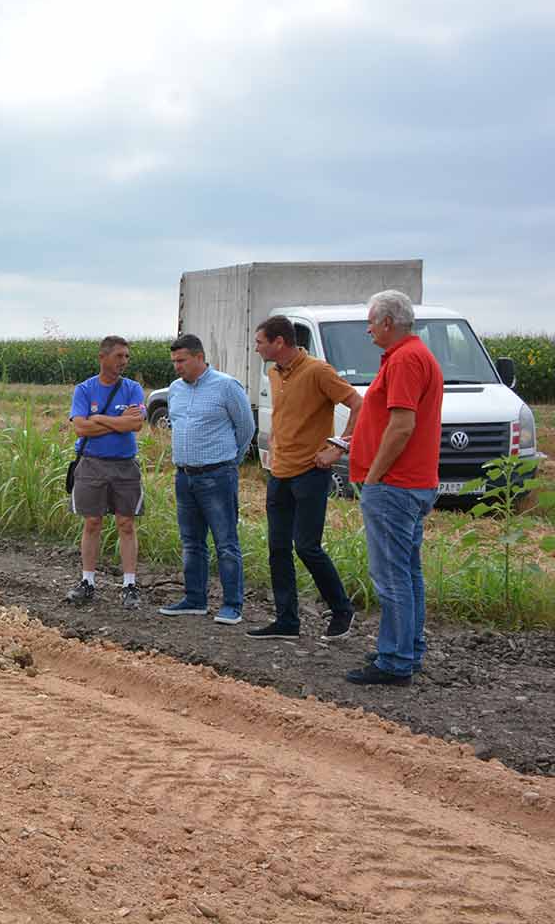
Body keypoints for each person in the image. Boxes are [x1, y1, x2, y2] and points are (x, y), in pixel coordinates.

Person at [344, 290, 442, 686]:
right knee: (407, 572)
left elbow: (402, 424)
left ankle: (395, 659)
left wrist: (374, 475)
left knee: (390, 576)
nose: (367, 330)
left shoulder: (404, 359)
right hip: (411, 483)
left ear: (388, 323)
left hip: (394, 485)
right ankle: (407, 648)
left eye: (371, 322)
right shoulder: (415, 356)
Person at [247, 315, 363, 641]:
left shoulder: (318, 371)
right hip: (279, 472)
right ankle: (287, 621)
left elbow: (358, 404)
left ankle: (342, 610)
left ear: (279, 342)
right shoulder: (273, 372)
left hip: (312, 472)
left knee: (307, 546)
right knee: (278, 548)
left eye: (260, 342)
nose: (256, 348)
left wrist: (338, 447)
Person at [158, 334, 255, 625]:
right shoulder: (175, 390)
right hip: (184, 476)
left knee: (226, 542)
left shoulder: (226, 386)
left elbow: (246, 429)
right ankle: (195, 599)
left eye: (182, 361)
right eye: (174, 361)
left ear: (199, 358)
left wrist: (229, 462)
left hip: (217, 475)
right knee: (191, 542)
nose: (177, 367)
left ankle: (232, 605)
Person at [65, 335, 146, 608]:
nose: (124, 361)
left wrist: (98, 418)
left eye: (127, 357)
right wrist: (117, 422)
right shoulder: (84, 390)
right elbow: (81, 428)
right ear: (103, 357)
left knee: (126, 523)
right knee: (92, 523)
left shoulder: (133, 388)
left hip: (125, 464)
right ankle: (87, 581)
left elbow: (135, 425)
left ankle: (130, 585)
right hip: (92, 463)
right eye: (119, 356)